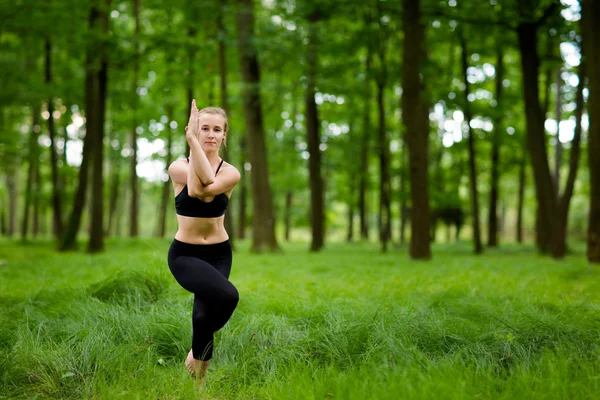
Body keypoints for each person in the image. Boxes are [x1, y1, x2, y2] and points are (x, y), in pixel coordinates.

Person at [167, 100, 241, 381]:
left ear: (224, 136)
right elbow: (198, 190)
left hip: (219, 254)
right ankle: (200, 352)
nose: (210, 134)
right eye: (204, 128)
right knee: (229, 295)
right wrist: (192, 144)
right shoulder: (177, 167)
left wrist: (192, 142)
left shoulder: (231, 172)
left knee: (201, 318)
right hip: (185, 255)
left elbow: (205, 185)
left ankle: (198, 381)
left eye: (217, 129)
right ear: (193, 131)